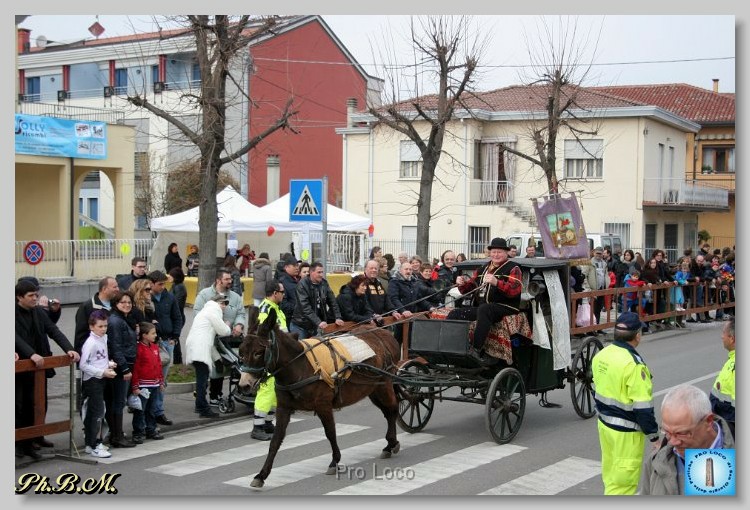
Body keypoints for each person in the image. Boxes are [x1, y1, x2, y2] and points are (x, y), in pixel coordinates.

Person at [592, 311, 658, 495]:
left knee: (611, 479)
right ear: (637, 335)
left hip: (605, 426)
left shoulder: (601, 355)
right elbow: (643, 408)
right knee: (623, 486)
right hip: (626, 434)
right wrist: (654, 436)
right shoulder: (634, 365)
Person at [15, 279, 80, 460]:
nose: (35, 298)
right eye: (31, 295)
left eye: (36, 295)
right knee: (18, 406)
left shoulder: (38, 312)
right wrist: (31, 353)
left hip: (38, 368)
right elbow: (14, 337)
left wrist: (69, 349)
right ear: (19, 297)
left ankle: (30, 442)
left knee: (35, 404)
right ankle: (18, 444)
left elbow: (53, 330)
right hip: (20, 367)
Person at [639, 384, 735, 495]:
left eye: (682, 433)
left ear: (708, 421)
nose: (673, 442)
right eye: (667, 432)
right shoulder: (655, 462)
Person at [446, 238, 522, 364]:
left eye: (499, 252)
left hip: (505, 307)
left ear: (506, 253)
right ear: (490, 253)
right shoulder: (482, 269)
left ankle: (476, 349)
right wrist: (462, 283)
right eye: (494, 252)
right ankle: (452, 346)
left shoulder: (514, 268)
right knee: (455, 313)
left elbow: (515, 290)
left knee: (485, 309)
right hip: (485, 309)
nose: (496, 255)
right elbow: (469, 289)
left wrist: (497, 282)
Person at [194, 269, 247, 405]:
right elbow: (197, 313)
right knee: (216, 367)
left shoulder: (235, 297)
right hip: (210, 340)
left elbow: (241, 313)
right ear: (218, 280)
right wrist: (219, 325)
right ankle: (211, 396)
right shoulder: (204, 295)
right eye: (227, 279)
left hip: (229, 339)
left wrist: (239, 325)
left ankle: (224, 394)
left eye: (230, 279)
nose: (230, 281)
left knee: (231, 365)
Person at [185, 293, 231, 418]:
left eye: (226, 304)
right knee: (202, 380)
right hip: (200, 348)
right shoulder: (213, 311)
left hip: (195, 347)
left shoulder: (205, 311)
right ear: (217, 303)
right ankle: (202, 408)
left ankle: (200, 405)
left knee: (202, 380)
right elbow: (224, 331)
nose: (224, 306)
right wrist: (227, 325)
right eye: (223, 303)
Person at [251, 280, 287, 440]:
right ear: (275, 293)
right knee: (266, 391)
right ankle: (257, 426)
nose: (284, 295)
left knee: (274, 391)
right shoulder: (266, 309)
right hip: (269, 358)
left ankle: (267, 422)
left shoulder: (275, 308)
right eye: (282, 292)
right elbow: (263, 336)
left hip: (278, 356)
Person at [78, 310, 117, 458]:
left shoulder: (102, 338)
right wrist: (102, 372)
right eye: (100, 326)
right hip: (93, 381)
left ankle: (92, 443)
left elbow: (98, 358)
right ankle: (94, 444)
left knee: (97, 411)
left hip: (101, 378)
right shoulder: (91, 343)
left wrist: (108, 364)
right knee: (97, 412)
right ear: (91, 327)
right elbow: (83, 365)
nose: (103, 329)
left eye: (105, 326)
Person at [147, 270, 182, 427]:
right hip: (152, 343)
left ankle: (159, 411)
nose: (163, 287)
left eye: (164, 284)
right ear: (151, 283)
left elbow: (177, 317)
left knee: (162, 379)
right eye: (160, 284)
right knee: (151, 378)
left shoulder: (170, 297)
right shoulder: (147, 298)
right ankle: (149, 411)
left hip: (168, 342)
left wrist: (175, 337)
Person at [106, 291, 138, 448]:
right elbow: (115, 346)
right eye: (123, 302)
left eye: (129, 302)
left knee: (119, 400)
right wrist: (124, 368)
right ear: (115, 304)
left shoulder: (124, 319)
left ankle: (116, 434)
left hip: (126, 362)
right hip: (120, 365)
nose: (127, 305)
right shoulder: (115, 321)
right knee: (118, 401)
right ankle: (117, 436)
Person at [130, 322, 166, 442]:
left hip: (154, 384)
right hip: (143, 385)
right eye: (153, 333)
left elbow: (159, 365)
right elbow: (135, 368)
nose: (155, 335)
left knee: (151, 409)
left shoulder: (155, 347)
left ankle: (151, 429)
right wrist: (135, 386)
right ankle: (138, 432)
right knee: (140, 409)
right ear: (144, 335)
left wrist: (161, 381)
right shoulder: (138, 349)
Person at [290, 262, 344, 339]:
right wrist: (318, 322)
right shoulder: (302, 285)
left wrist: (338, 317)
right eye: (319, 272)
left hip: (315, 326)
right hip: (301, 326)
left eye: (322, 272)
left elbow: (332, 302)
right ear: (311, 272)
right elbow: (305, 308)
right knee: (302, 346)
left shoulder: (324, 283)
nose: (321, 275)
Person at [74, 276, 120, 353]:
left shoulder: (118, 304)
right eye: (114, 287)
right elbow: (81, 336)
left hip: (116, 353)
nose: (118, 289)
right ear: (104, 289)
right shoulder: (87, 307)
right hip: (97, 355)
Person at [710, 317, 735, 438]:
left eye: (723, 333)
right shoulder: (732, 359)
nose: (721, 337)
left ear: (732, 338)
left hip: (730, 426)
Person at [168, 267, 187, 364]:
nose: (169, 277)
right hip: (176, 315)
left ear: (175, 277)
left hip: (177, 316)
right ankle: (177, 360)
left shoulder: (179, 287)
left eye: (171, 275)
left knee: (174, 337)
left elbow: (177, 303)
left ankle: (178, 360)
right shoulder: (175, 285)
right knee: (174, 337)